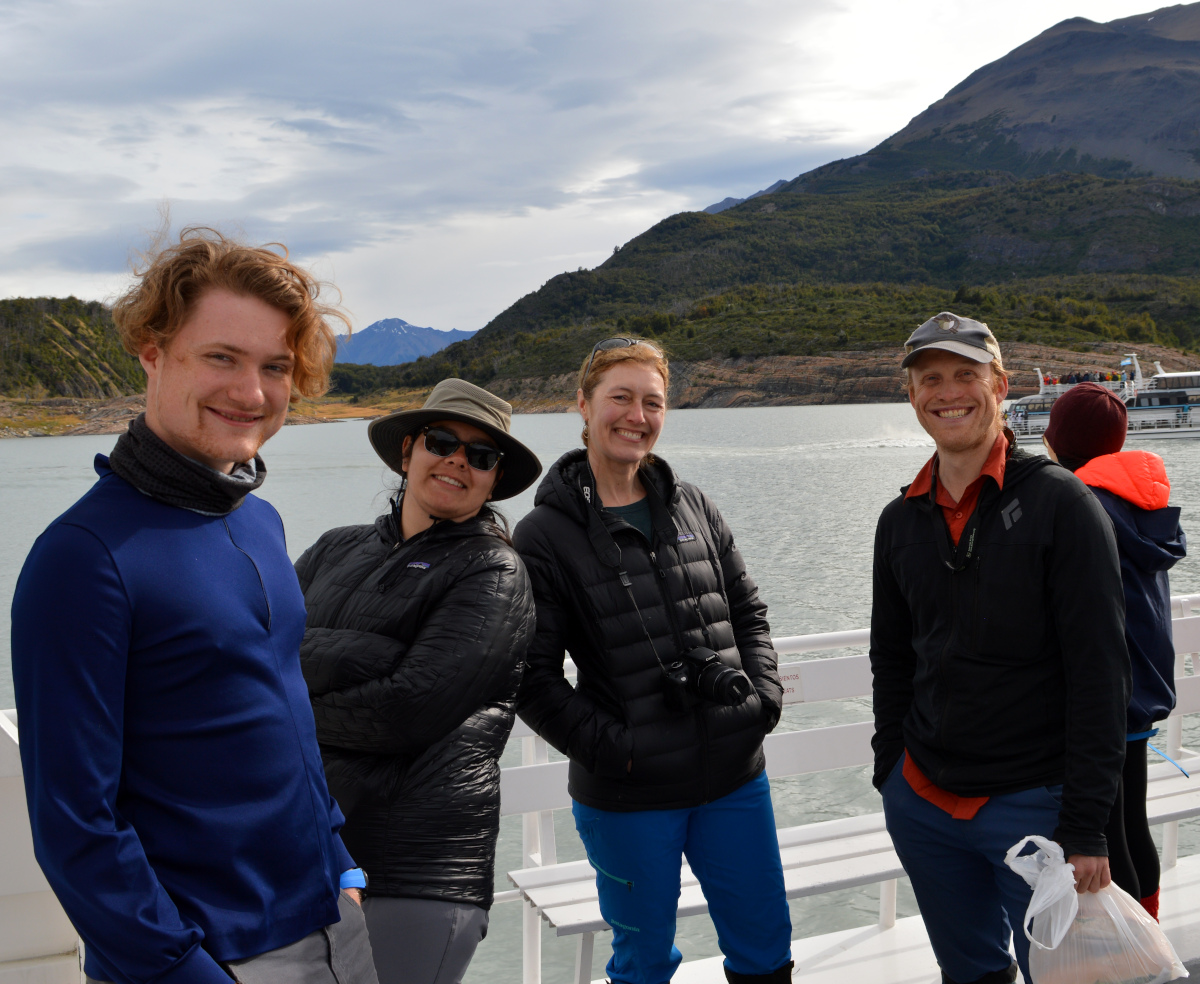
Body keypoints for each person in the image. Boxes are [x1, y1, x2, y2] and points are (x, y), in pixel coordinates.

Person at [10, 228, 378, 984]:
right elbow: (74, 824)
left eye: (275, 366)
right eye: (221, 357)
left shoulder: (257, 519)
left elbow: (278, 705)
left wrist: (338, 859)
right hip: (211, 955)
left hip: (331, 920)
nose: (251, 393)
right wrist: (182, 969)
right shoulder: (83, 558)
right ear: (152, 351)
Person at [514, 337, 793, 984]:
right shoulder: (544, 536)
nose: (635, 416)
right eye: (620, 398)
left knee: (765, 947)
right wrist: (620, 749)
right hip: (628, 796)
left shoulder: (692, 505)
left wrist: (762, 701)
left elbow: (749, 614)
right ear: (583, 406)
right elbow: (530, 678)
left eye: (652, 402)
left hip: (733, 777)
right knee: (643, 962)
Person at [870, 311, 1130, 984]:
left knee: (1066, 977)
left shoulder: (1061, 504)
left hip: (1034, 808)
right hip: (924, 802)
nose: (947, 391)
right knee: (972, 976)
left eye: (966, 374)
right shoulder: (900, 520)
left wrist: (1087, 825)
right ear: (911, 395)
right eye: (931, 378)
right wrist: (889, 772)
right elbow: (893, 658)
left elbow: (1101, 672)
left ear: (1001, 385)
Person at [296, 379, 541, 984]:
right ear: (407, 451)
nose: (459, 459)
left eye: (481, 456)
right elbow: (253, 654)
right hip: (308, 847)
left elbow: (406, 710)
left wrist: (291, 699)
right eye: (442, 441)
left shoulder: (493, 570)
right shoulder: (334, 549)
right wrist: (365, 659)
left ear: (492, 480)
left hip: (417, 868)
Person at [1043, 382, 1186, 920]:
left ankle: (1132, 957)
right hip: (1142, 689)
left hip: (1101, 696)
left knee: (1106, 834)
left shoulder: (1081, 506)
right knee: (1133, 824)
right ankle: (1148, 932)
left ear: (1057, 441)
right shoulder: (1138, 505)